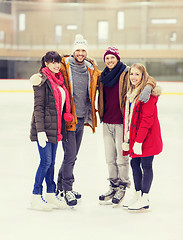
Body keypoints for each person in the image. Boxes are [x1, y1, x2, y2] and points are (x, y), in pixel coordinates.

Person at [98, 47, 156, 206]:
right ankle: (113, 185)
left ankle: (123, 185)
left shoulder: (126, 72)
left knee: (121, 158)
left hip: (121, 122)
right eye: (107, 58)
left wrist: (149, 87)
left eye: (112, 57)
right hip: (107, 121)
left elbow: (147, 77)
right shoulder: (102, 76)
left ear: (118, 58)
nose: (110, 61)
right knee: (110, 158)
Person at [56, 34, 101, 206]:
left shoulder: (91, 69)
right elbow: (48, 71)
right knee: (69, 155)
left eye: (83, 50)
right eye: (78, 50)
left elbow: (107, 76)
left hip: (82, 118)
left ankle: (61, 186)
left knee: (73, 156)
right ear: (73, 51)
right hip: (68, 118)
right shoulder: (64, 66)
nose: (80, 53)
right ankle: (68, 190)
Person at [29, 51, 73, 211]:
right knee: (45, 162)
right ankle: (35, 196)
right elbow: (38, 108)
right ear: (46, 63)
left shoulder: (59, 80)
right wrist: (40, 131)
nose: (56, 65)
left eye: (58, 62)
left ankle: (50, 193)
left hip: (56, 128)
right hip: (44, 129)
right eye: (52, 62)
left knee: (52, 163)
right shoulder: (41, 80)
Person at [122, 63, 163, 211]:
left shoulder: (148, 95)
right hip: (136, 137)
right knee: (134, 164)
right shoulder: (132, 92)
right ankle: (137, 194)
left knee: (146, 165)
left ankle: (145, 197)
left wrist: (138, 141)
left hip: (147, 138)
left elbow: (147, 120)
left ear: (143, 76)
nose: (133, 77)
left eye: (137, 74)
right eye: (131, 74)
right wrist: (128, 137)